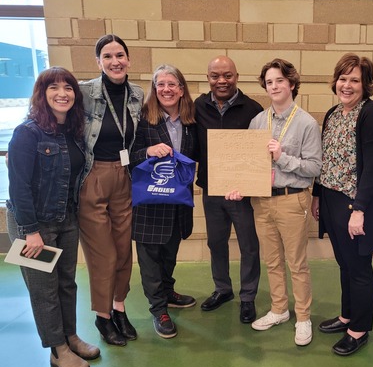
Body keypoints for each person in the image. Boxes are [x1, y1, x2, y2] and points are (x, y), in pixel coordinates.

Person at [6, 67, 99, 367]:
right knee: (44, 290)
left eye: (68, 87)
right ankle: (58, 350)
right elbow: (18, 187)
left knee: (66, 284)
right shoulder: (27, 133)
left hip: (66, 219)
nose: (63, 93)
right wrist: (30, 231)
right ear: (42, 95)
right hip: (35, 224)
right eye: (54, 88)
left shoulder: (71, 132)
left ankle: (70, 336)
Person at [227, 58, 322, 346]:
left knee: (297, 263)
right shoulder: (258, 121)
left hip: (292, 200)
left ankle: (303, 317)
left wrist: (282, 157)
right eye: (269, 82)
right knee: (272, 261)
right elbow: (250, 163)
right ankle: (279, 309)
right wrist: (241, 187)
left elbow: (315, 167)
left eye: (280, 80)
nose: (275, 86)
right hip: (262, 201)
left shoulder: (306, 122)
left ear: (291, 84)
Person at [312, 53, 373, 356]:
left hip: (356, 204)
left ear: (365, 84)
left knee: (359, 267)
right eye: (343, 79)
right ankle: (347, 316)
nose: (347, 85)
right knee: (344, 263)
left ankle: (358, 330)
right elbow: (326, 160)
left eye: (354, 80)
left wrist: (359, 210)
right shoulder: (333, 113)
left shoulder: (372, 114)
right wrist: (317, 195)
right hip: (331, 199)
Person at [78, 34, 144, 346]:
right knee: (101, 253)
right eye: (107, 56)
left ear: (128, 59)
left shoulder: (137, 94)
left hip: (125, 175)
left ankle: (119, 308)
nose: (115, 61)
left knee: (122, 248)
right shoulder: (84, 92)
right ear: (99, 62)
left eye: (120, 55)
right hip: (94, 174)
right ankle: (101, 316)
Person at [130, 64, 198, 339]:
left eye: (172, 84)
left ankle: (168, 292)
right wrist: (147, 150)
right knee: (150, 260)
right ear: (154, 90)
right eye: (161, 85)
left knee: (170, 254)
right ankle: (159, 309)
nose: (167, 89)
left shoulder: (191, 122)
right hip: (150, 203)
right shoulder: (142, 119)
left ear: (181, 90)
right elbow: (126, 155)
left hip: (178, 203)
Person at [194, 56, 262, 323]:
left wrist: (249, 184)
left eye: (227, 75)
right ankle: (222, 289)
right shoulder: (198, 106)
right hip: (211, 190)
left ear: (237, 76)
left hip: (242, 193)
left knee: (249, 245)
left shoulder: (253, 109)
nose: (221, 81)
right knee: (216, 242)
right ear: (208, 77)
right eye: (215, 76)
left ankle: (247, 297)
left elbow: (259, 154)